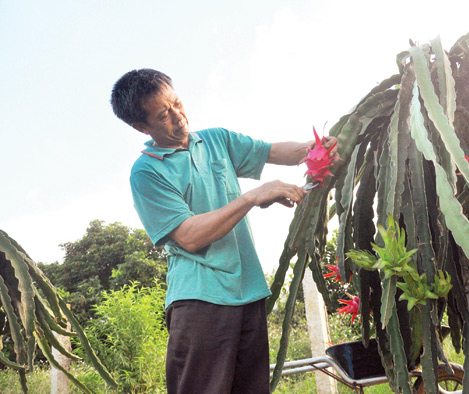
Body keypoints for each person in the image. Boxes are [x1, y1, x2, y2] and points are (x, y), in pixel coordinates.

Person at [110, 68, 337, 394]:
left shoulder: (215, 140)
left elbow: (275, 152)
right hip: (200, 300)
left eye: (177, 103)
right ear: (141, 126)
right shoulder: (146, 172)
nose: (178, 117)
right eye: (163, 115)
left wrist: (317, 149)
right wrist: (250, 198)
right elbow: (189, 235)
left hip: (249, 293)